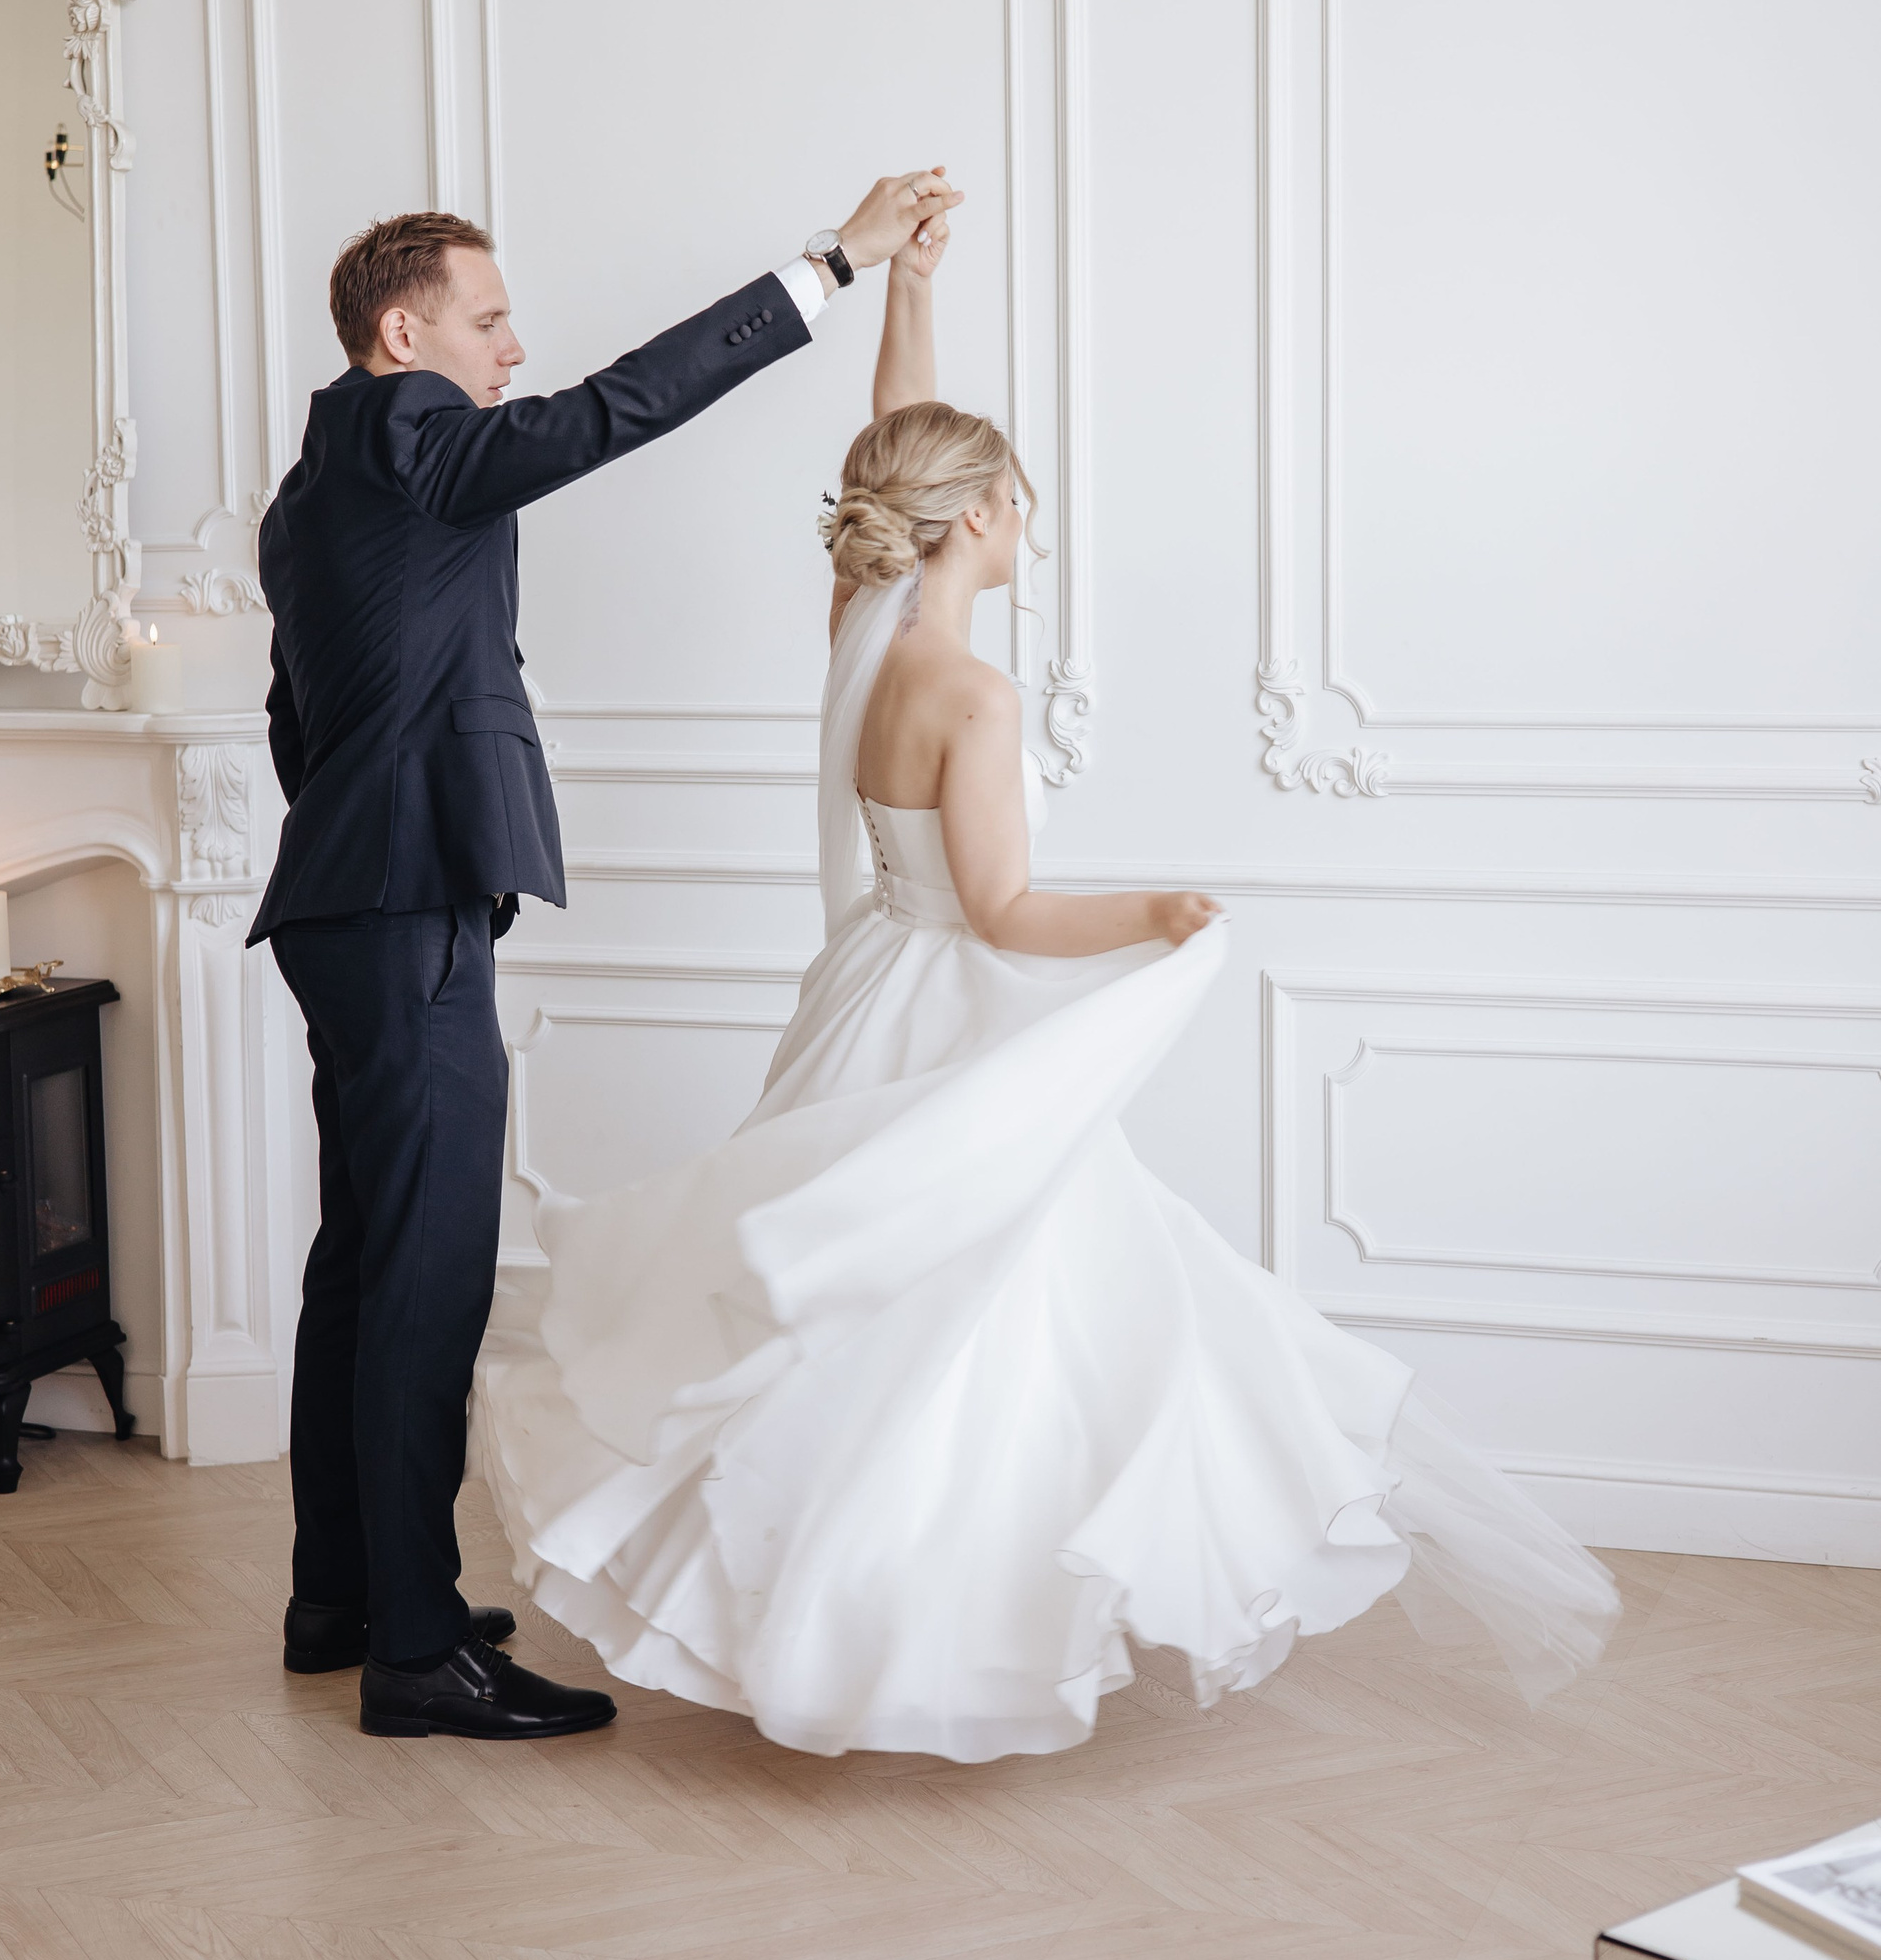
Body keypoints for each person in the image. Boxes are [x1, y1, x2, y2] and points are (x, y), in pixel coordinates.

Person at [473, 213, 1620, 1760]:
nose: (1029, 525)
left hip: (867, 990)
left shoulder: (864, 633)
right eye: (1017, 501)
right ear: (972, 519)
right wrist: (1159, 910)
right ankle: (936, 1624)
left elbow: (892, 437)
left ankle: (849, 1609)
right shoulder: (974, 693)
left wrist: (912, 289)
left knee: (880, 1315)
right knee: (984, 1313)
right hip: (949, 997)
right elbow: (1003, 912)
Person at [250, 173, 962, 1741]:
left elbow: (299, 718)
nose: (513, 348)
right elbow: (613, 412)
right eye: (488, 320)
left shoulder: (309, 498)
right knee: (425, 1278)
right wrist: (833, 265)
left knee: (360, 1264)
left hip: (346, 903)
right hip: (405, 906)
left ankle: (342, 1597)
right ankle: (416, 1651)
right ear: (402, 335)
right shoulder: (408, 432)